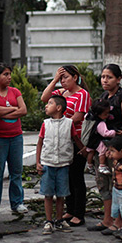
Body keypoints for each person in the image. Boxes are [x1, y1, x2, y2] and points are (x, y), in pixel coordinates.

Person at [88, 63, 122, 234]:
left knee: (120, 186)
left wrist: (118, 154)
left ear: (119, 79)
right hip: (104, 149)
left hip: (120, 151)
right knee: (105, 184)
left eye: (109, 77)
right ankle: (107, 219)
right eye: (103, 76)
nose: (105, 80)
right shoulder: (105, 96)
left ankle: (118, 223)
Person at [40, 64, 91, 226]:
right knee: (66, 177)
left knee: (76, 177)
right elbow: (44, 98)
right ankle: (70, 209)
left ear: (75, 78)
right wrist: (54, 79)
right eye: (61, 78)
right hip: (62, 141)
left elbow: (77, 117)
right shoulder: (61, 93)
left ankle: (79, 213)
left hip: (76, 139)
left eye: (66, 77)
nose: (63, 81)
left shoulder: (82, 94)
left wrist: (59, 121)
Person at [0, 63, 28, 214]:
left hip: (16, 137)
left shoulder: (15, 92)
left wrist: (3, 113)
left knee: (16, 172)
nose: (9, 77)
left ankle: (17, 203)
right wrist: (13, 109)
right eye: (5, 74)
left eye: (9, 74)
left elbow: (23, 110)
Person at [36, 95, 84, 235]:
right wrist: (38, 162)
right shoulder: (45, 124)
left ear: (58, 108)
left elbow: (75, 139)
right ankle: (49, 221)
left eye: (50, 103)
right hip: (48, 164)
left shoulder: (69, 124)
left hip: (63, 165)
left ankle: (59, 220)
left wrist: (86, 152)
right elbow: (40, 143)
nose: (46, 105)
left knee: (61, 195)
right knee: (48, 194)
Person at [84, 99, 116, 175]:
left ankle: (89, 166)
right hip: (96, 140)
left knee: (91, 152)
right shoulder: (100, 123)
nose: (107, 115)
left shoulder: (88, 116)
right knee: (103, 150)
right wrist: (114, 132)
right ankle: (102, 166)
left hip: (88, 139)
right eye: (106, 114)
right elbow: (105, 133)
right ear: (98, 114)